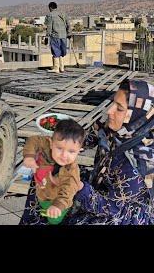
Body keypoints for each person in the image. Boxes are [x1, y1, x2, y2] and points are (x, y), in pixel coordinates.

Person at [65, 79, 154, 225]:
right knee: (51, 172)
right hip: (102, 184)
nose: (109, 111)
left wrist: (81, 188)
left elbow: (112, 209)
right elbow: (91, 136)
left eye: (119, 108)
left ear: (136, 115)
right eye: (113, 102)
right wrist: (70, 141)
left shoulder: (139, 162)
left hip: (121, 213)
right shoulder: (121, 128)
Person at [19, 119, 84, 225]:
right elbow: (33, 140)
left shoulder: (71, 170)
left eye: (71, 151)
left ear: (79, 151)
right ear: (50, 143)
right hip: (41, 189)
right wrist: (29, 156)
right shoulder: (45, 144)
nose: (64, 155)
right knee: (37, 208)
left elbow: (68, 190)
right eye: (59, 148)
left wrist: (58, 205)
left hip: (55, 199)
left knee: (54, 220)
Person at [44, 1, 71, 73]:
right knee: (62, 51)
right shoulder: (63, 14)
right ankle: (62, 68)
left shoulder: (50, 15)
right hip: (64, 36)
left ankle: (56, 68)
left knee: (55, 51)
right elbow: (68, 24)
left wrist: (46, 37)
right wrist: (69, 34)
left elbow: (49, 27)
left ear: (50, 8)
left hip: (55, 36)